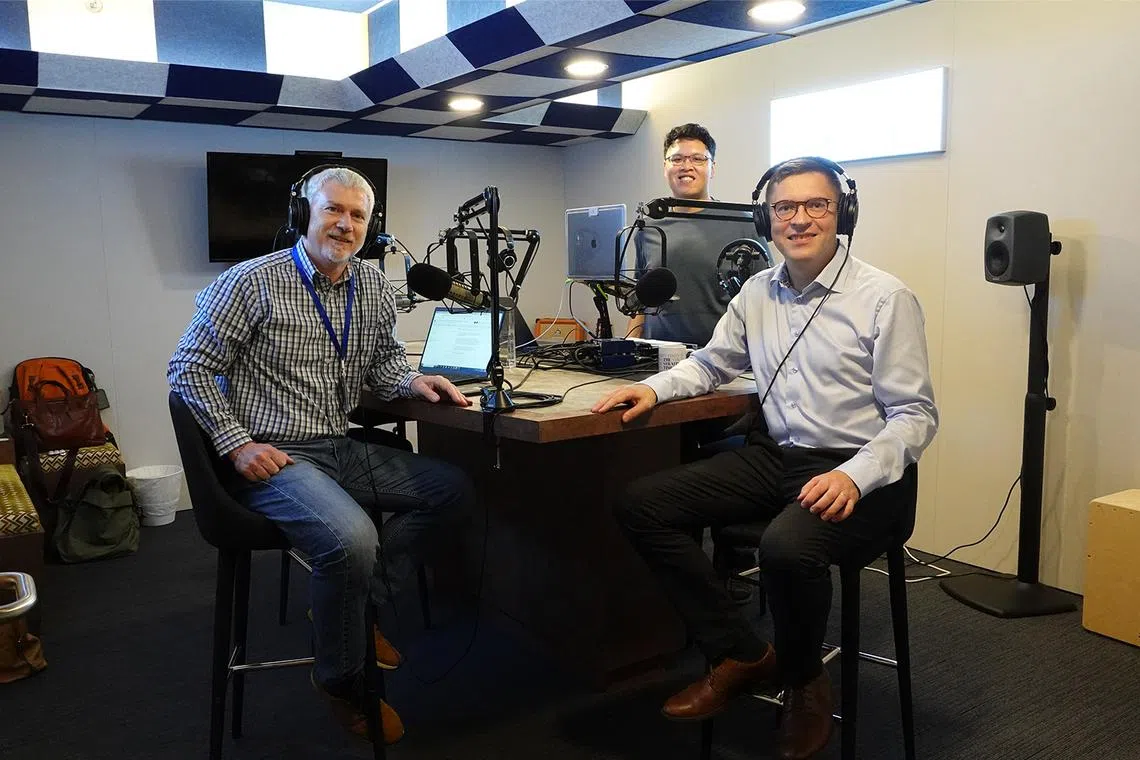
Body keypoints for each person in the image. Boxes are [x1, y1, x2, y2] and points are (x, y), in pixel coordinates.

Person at [592, 157, 938, 760]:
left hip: (865, 473)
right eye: (785, 208)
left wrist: (853, 475)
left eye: (817, 206)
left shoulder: (886, 298)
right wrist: (654, 388)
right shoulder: (757, 292)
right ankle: (743, 655)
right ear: (766, 217)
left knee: (784, 547)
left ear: (842, 214)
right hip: (776, 456)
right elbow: (711, 362)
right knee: (641, 504)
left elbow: (914, 416)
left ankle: (804, 680)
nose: (799, 219)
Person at [169, 166, 475, 745]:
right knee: (352, 539)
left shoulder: (374, 288)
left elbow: (383, 366)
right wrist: (236, 444)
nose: (346, 224)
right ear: (302, 214)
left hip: (339, 446)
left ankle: (355, 607)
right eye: (334, 210)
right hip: (278, 459)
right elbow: (187, 367)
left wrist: (414, 382)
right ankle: (343, 682)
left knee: (452, 490)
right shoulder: (251, 282)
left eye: (358, 216)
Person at [630, 122, 773, 603]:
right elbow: (640, 297)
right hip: (661, 365)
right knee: (664, 462)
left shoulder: (741, 222)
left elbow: (765, 296)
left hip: (724, 368)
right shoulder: (649, 225)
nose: (686, 166)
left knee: (703, 461)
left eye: (696, 158)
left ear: (712, 165)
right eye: (676, 158)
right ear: (665, 166)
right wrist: (625, 343)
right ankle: (681, 576)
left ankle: (725, 568)